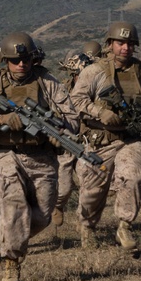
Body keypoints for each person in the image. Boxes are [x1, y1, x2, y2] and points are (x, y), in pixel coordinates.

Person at [0, 32, 78, 281]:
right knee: (14, 202)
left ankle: (10, 233)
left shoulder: (48, 83)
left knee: (42, 215)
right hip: (8, 155)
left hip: (42, 158)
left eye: (25, 59)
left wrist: (59, 133)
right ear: (6, 61)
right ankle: (11, 263)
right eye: (15, 60)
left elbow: (72, 119)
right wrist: (1, 120)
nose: (21, 65)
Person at [70, 22, 141, 250]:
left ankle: (124, 226)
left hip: (131, 141)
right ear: (110, 44)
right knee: (93, 192)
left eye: (130, 44)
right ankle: (87, 226)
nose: (125, 48)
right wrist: (100, 112)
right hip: (100, 142)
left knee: (134, 175)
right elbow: (75, 101)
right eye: (120, 43)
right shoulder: (94, 72)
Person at [52, 40, 102, 229]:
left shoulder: (97, 88)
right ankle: (58, 205)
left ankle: (85, 222)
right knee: (63, 187)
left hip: (87, 141)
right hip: (66, 142)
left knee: (88, 182)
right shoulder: (62, 90)